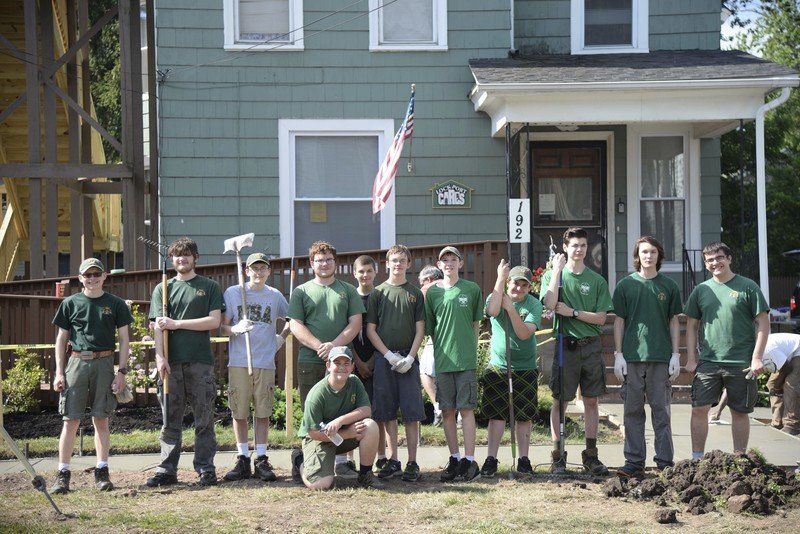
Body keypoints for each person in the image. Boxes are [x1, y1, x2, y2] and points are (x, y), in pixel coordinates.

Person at [49, 258, 133, 494]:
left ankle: (102, 471)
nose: (92, 279)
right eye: (88, 275)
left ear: (105, 276)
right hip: (76, 362)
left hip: (105, 363)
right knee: (70, 420)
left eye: (97, 274)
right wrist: (59, 372)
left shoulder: (116, 304)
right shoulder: (70, 303)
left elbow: (125, 339)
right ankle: (63, 474)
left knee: (101, 419)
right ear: (80, 278)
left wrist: (122, 371)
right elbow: (61, 339)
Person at [146, 237, 223, 487]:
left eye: (187, 254)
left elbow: (214, 322)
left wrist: (177, 323)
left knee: (204, 418)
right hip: (171, 363)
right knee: (170, 419)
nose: (182, 259)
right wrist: (160, 357)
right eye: (178, 255)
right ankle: (167, 469)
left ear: (195, 258)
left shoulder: (209, 287)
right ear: (172, 260)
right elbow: (158, 326)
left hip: (200, 362)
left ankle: (205, 468)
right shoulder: (163, 289)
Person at [287, 241, 364, 480]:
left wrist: (334, 347)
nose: (324, 263)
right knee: (313, 412)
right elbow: (295, 325)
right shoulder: (301, 291)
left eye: (329, 259)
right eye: (319, 260)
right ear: (312, 264)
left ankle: (341, 461)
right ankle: (306, 458)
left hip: (341, 362)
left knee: (343, 409)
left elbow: (355, 324)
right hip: (311, 360)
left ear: (335, 262)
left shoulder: (348, 290)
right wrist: (319, 346)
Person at [685, 242, 770, 457]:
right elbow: (692, 325)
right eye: (710, 260)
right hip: (709, 361)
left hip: (742, 363)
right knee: (699, 409)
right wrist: (691, 358)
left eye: (719, 257)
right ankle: (697, 459)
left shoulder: (748, 286)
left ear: (729, 259)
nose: (715, 263)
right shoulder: (701, 290)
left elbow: (763, 322)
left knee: (739, 412)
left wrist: (757, 358)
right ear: (705, 264)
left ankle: (739, 459)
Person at [540, 227, 613, 476]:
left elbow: (601, 318)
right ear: (565, 248)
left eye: (582, 245)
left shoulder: (596, 280)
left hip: (590, 346)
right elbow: (549, 305)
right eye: (574, 245)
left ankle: (591, 456)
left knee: (591, 401)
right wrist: (557, 271)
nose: (579, 249)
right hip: (565, 346)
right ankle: (558, 456)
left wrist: (572, 312)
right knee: (560, 401)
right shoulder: (554, 275)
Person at [612, 236, 682, 478]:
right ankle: (634, 462)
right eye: (644, 252)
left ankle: (664, 462)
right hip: (631, 357)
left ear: (658, 256)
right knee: (632, 412)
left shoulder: (669, 286)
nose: (648, 256)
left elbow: (674, 322)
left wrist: (676, 354)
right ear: (637, 256)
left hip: (661, 357)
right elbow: (619, 321)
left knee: (661, 412)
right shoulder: (625, 285)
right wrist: (618, 354)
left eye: (653, 252)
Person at [220, 253, 289, 482]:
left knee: (263, 411)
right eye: (254, 269)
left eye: (262, 269)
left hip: (265, 361)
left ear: (268, 271)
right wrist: (235, 329)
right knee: (239, 410)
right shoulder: (233, 293)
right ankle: (242, 458)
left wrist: (281, 338)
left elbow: (291, 319)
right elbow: (222, 327)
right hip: (240, 361)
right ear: (246, 270)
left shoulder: (275, 296)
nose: (258, 273)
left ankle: (261, 457)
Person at [366, 245, 426, 481]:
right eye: (394, 260)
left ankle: (412, 462)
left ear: (409, 264)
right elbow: (371, 330)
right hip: (385, 360)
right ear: (387, 264)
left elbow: (420, 328)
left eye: (403, 260)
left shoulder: (415, 293)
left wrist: (410, 357)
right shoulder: (378, 293)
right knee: (387, 413)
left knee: (411, 414)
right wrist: (389, 355)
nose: (398, 264)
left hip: (408, 359)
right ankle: (394, 460)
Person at [424, 246, 483, 482]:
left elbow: (476, 325)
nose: (449, 263)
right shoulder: (433, 294)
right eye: (444, 260)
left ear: (460, 263)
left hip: (466, 360)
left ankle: (470, 460)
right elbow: (431, 329)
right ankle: (455, 458)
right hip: (444, 361)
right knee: (447, 410)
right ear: (439, 265)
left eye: (453, 259)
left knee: (466, 410)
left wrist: (470, 349)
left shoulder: (471, 289)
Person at [480, 260, 542, 478]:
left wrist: (511, 309)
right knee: (497, 415)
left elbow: (524, 333)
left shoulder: (533, 304)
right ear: (508, 283)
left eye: (524, 285)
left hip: (525, 367)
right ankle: (491, 458)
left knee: (524, 415)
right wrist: (500, 278)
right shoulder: (497, 295)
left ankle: (524, 459)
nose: (519, 288)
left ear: (529, 288)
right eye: (516, 283)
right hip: (499, 366)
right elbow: (492, 310)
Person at [291, 347, 381, 490]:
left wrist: (340, 421)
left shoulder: (354, 382)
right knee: (321, 485)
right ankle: (299, 460)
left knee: (370, 426)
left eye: (346, 363)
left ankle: (365, 475)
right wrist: (348, 433)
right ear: (328, 365)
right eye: (337, 363)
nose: (341, 367)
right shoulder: (316, 395)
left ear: (352, 367)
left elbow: (366, 410)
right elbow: (313, 433)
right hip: (318, 439)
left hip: (343, 434)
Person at [346, 255, 388, 474]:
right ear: (355, 273)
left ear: (375, 272)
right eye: (361, 272)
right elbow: (347, 332)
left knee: (377, 411)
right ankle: (349, 458)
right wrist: (357, 360)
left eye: (369, 271)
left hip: (378, 360)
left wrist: (372, 359)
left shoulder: (381, 296)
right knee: (353, 410)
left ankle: (381, 456)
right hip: (354, 362)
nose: (365, 275)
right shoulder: (349, 297)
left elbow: (383, 329)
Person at [418, 265, 444, 426]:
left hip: (436, 337)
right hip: (458, 338)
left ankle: (438, 407)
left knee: (425, 372)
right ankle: (461, 416)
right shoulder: (455, 285)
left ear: (428, 279)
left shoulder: (429, 288)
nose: (421, 285)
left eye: (422, 282)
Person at [763, 332, 800, 435]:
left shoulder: (768, 348)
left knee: (790, 385)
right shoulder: (754, 350)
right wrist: (776, 386)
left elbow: (786, 368)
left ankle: (793, 425)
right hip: (788, 356)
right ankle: (777, 421)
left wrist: (779, 385)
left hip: (798, 351)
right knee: (772, 384)